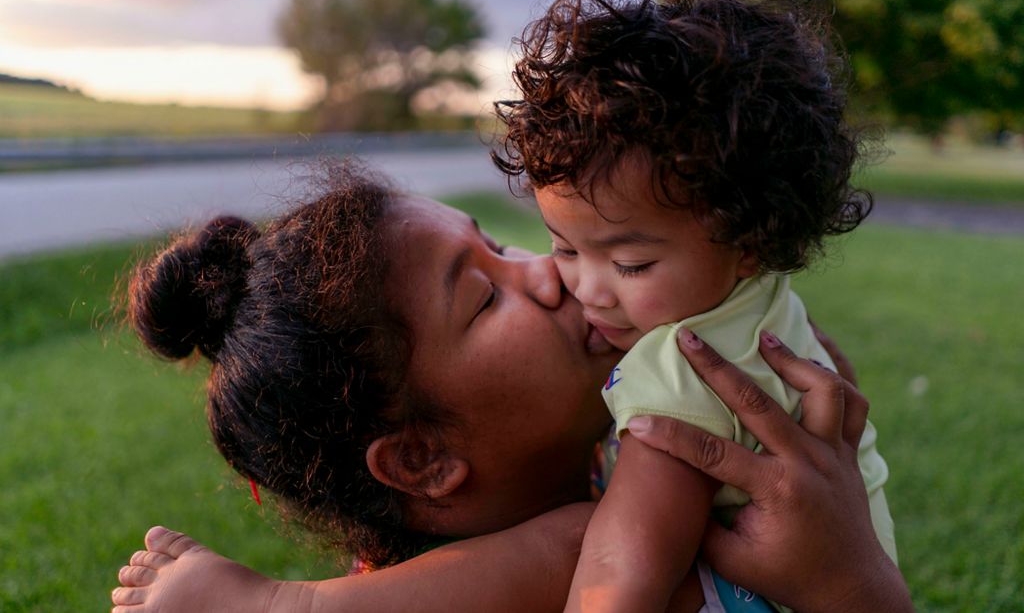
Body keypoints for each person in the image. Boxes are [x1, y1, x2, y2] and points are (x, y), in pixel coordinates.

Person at [112, 165, 909, 613]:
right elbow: (576, 552)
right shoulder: (566, 554)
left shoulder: (619, 451)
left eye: (495, 241)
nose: (550, 272)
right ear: (423, 459)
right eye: (486, 296)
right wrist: (854, 582)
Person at [491, 0, 896, 612]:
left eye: (630, 263)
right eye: (564, 248)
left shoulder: (682, 361)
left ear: (750, 241)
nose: (589, 289)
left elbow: (621, 569)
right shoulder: (756, 304)